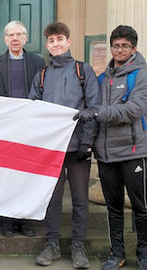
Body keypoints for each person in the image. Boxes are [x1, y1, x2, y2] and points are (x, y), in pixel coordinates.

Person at [74, 25, 147, 270]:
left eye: (125, 45)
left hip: (133, 152)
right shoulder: (102, 78)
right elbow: (90, 112)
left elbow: (134, 110)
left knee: (141, 207)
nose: (119, 49)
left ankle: (144, 253)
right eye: (115, 45)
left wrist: (98, 112)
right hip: (105, 155)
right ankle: (117, 254)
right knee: (113, 208)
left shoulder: (141, 75)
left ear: (134, 48)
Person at [29, 22, 101, 269]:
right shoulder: (42, 76)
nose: (56, 44)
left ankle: (78, 245)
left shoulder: (84, 71)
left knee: (80, 199)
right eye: (51, 40)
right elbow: (33, 111)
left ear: (68, 41)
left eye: (60, 39)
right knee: (53, 199)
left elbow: (94, 107)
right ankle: (52, 244)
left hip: (78, 148)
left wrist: (86, 143)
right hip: (52, 150)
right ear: (47, 45)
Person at [0, 20, 45, 238]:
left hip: (29, 128)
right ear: (5, 39)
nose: (15, 38)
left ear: (26, 38)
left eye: (20, 34)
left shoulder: (39, 63)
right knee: (5, 176)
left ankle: (25, 221)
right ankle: (7, 221)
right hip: (5, 128)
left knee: (27, 176)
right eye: (11, 35)